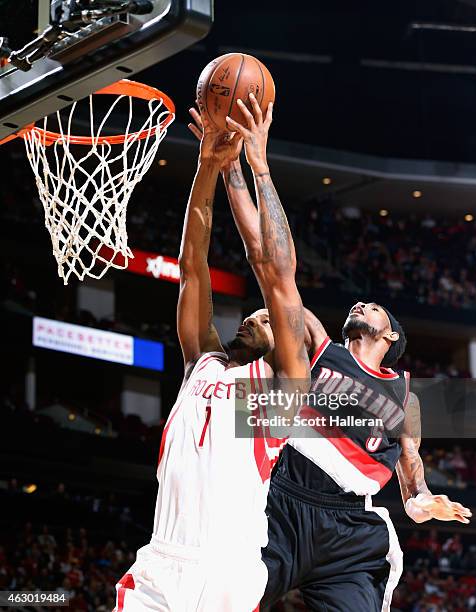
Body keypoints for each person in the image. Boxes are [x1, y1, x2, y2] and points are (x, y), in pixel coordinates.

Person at [206, 132, 472, 611]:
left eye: (372, 307)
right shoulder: (316, 345)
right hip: (279, 504)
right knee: (215, 599)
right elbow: (271, 267)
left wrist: (423, 503)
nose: (361, 303)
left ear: (389, 339)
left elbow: (412, 482)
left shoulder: (405, 397)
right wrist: (240, 171)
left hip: (349, 529)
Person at [114, 95, 309, 612]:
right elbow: (192, 266)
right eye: (255, 312)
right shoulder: (203, 359)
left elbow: (277, 275)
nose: (254, 314)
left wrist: (259, 168)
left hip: (227, 570)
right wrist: (207, 169)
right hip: (160, 562)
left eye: (267, 318)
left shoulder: (283, 388)